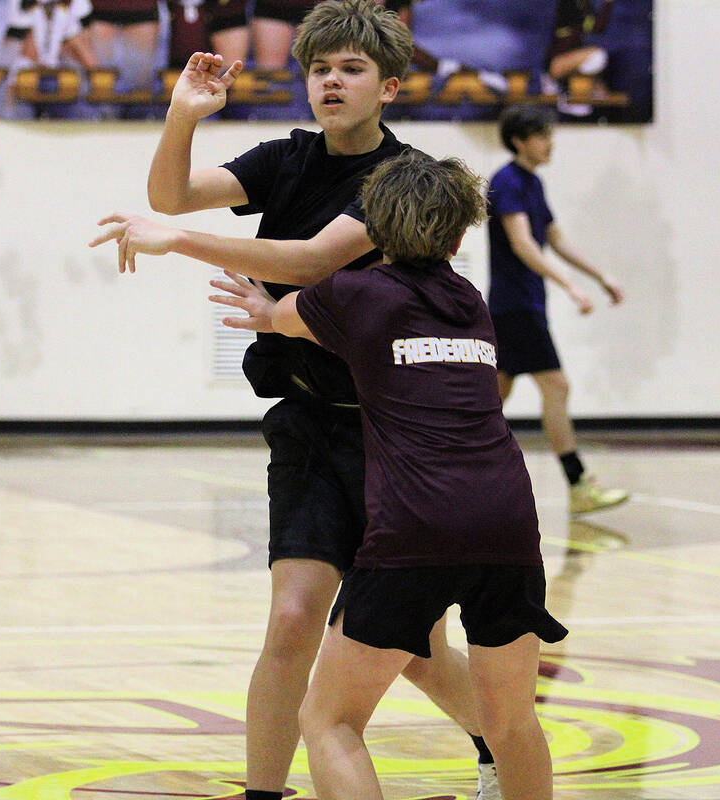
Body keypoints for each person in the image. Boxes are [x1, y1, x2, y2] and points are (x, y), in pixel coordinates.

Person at [89, 3, 501, 798]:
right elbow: (170, 195)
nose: (331, 82)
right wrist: (183, 115)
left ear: (387, 87)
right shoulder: (286, 157)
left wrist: (178, 242)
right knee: (289, 622)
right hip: (311, 424)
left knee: (415, 648)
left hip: (396, 437)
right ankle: (262, 795)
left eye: (350, 68)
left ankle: (494, 736)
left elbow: (311, 261)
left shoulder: (401, 179)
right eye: (319, 68)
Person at [210, 149, 567, 800]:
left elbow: (280, 317)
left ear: (372, 224)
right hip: (511, 524)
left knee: (329, 720)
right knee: (515, 722)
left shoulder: (353, 295)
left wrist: (264, 310)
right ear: (460, 239)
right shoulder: (471, 300)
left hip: (416, 526)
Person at [486, 103, 628, 515]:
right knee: (556, 386)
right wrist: (569, 286)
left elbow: (555, 239)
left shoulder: (532, 183)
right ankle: (579, 483)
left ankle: (443, 470)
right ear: (519, 140)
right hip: (516, 306)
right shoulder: (507, 181)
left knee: (493, 396)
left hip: (523, 304)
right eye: (542, 136)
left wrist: (601, 276)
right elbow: (523, 243)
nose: (551, 144)